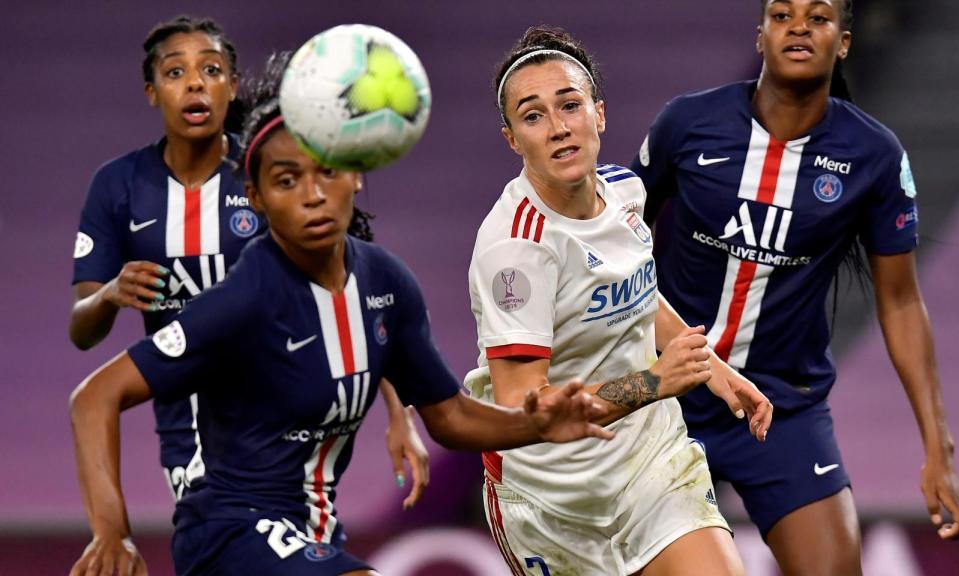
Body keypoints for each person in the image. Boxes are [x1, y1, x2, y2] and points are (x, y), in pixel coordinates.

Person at [69, 51, 614, 576]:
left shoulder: (385, 282)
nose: (312, 194)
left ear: (355, 175)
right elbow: (94, 398)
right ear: (256, 198)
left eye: (327, 171)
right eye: (286, 181)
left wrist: (533, 424)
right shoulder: (247, 297)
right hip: (229, 534)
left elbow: (449, 416)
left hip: (316, 535)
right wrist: (112, 532)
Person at [631, 1, 959, 574]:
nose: (798, 27)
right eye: (781, 14)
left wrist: (937, 446)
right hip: (667, 395)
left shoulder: (873, 156)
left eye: (817, 17)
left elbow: (900, 301)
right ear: (760, 36)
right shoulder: (687, 123)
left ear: (843, 42)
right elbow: (612, 246)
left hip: (783, 408)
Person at [69, 16, 429, 507]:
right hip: (190, 434)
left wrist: (399, 412)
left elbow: (352, 290)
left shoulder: (271, 175)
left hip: (289, 416)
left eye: (211, 69)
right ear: (152, 92)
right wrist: (110, 295)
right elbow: (82, 329)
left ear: (233, 85)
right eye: (175, 72)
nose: (195, 83)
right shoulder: (118, 186)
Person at [465, 26, 773, 576]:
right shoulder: (515, 248)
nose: (558, 127)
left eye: (570, 105)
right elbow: (521, 406)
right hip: (551, 501)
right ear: (512, 139)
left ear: (599, 114)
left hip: (650, 465)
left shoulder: (625, 190)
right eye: (533, 116)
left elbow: (637, 293)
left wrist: (711, 368)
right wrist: (653, 382)